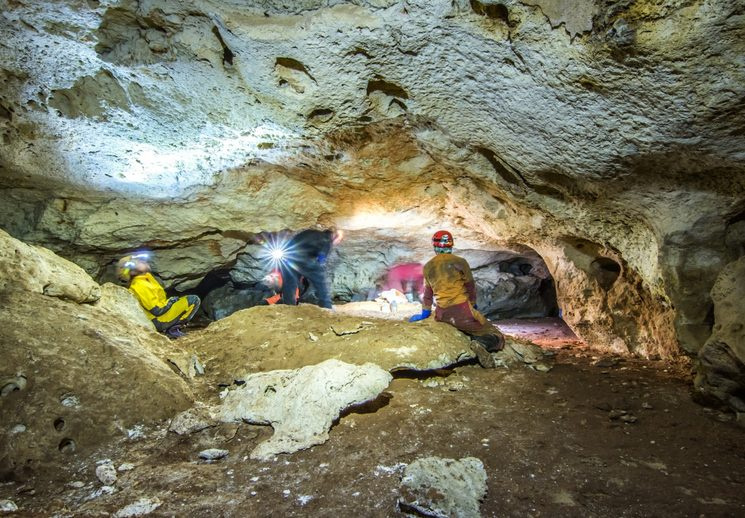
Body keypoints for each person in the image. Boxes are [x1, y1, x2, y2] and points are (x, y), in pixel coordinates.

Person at [408, 230, 505, 367]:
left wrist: (425, 313)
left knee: (464, 327)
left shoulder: (428, 266)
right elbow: (470, 287)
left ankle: (471, 338)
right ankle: (482, 343)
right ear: (451, 245)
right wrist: (472, 305)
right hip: (462, 311)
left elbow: (428, 294)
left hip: (442, 315)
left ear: (434, 246)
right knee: (494, 333)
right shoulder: (460, 262)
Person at [117, 253, 201, 338]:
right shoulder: (139, 285)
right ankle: (173, 330)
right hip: (157, 320)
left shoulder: (146, 279)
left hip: (160, 316)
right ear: (132, 270)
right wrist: (170, 301)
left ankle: (172, 329)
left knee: (185, 300)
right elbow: (157, 310)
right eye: (139, 262)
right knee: (193, 300)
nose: (143, 262)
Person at [279, 228, 341, 309]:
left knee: (289, 284)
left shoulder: (309, 232)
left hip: (288, 257)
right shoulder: (326, 239)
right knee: (320, 281)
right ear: (334, 236)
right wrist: (316, 268)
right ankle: (327, 306)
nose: (338, 242)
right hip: (305, 259)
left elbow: (292, 242)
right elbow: (321, 257)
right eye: (339, 239)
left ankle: (289, 307)